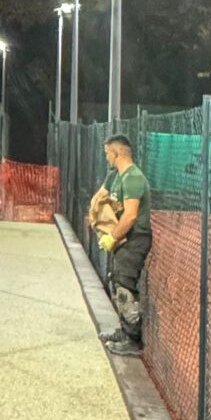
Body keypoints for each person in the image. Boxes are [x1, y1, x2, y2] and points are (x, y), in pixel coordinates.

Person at [86, 129, 151, 352]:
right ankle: (124, 330)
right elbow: (102, 198)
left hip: (135, 239)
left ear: (117, 153)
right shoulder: (117, 177)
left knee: (125, 285)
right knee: (117, 281)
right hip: (123, 239)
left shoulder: (133, 178)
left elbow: (131, 215)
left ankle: (133, 340)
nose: (106, 158)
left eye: (108, 153)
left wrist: (112, 237)